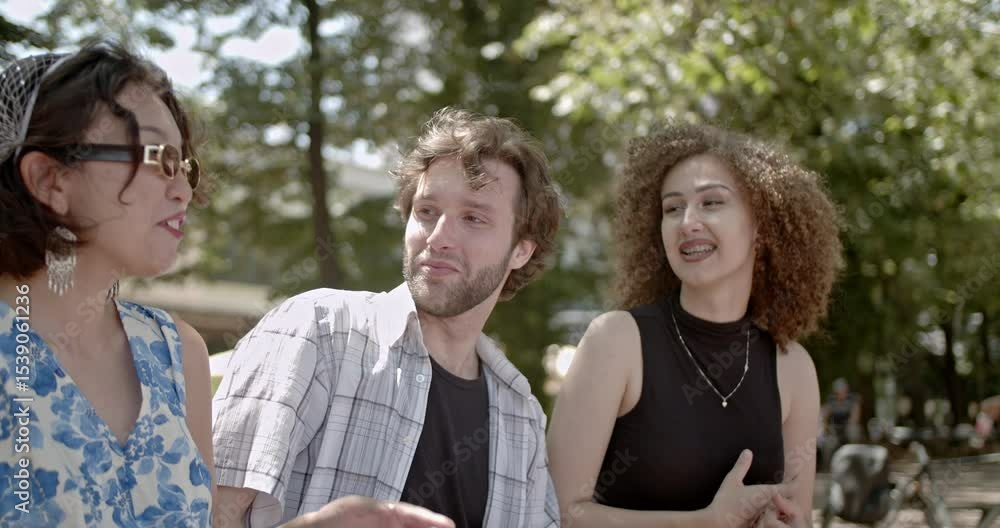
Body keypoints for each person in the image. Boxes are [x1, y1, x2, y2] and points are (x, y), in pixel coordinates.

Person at [211, 108, 563, 527]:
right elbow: (204, 514)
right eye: (427, 211)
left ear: (521, 250)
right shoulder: (316, 332)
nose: (438, 237)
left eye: (473, 218)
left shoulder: (521, 415)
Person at [547, 124, 843, 528]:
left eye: (712, 203)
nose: (687, 222)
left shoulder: (793, 368)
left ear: (761, 226)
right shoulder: (615, 342)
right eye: (672, 208)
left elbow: (800, 517)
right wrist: (705, 522)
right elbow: (557, 512)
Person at [0, 42, 214, 526]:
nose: (183, 189)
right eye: (158, 157)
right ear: (49, 179)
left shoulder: (179, 354)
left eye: (184, 164)